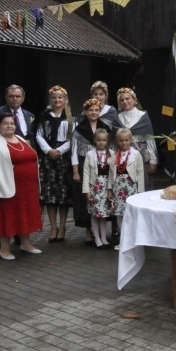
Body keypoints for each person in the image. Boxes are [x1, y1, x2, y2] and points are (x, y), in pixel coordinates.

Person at [0, 112, 43, 260]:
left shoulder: (21, 139)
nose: (9, 126)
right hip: (6, 185)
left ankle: (25, 244)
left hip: (27, 188)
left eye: (12, 123)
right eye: (5, 123)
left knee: (25, 215)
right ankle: (4, 249)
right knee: (6, 217)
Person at [34, 85, 75, 243]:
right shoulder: (44, 116)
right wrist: (48, 150)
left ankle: (63, 226)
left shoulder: (71, 118)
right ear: (51, 100)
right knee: (50, 194)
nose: (57, 100)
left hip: (63, 158)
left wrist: (59, 151)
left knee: (63, 194)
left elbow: (72, 138)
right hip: (48, 157)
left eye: (60, 97)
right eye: (54, 97)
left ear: (65, 100)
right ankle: (53, 227)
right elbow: (38, 135)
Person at [72, 99, 114, 246]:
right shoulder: (79, 128)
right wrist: (75, 170)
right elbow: (73, 151)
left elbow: (111, 151)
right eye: (90, 110)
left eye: (96, 110)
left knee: (102, 209)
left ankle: (102, 237)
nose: (94, 112)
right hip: (86, 165)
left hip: (103, 174)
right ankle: (90, 234)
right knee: (88, 204)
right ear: (85, 112)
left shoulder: (105, 127)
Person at [108, 128, 145, 247]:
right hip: (118, 189)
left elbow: (140, 173)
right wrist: (109, 189)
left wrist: (141, 192)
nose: (124, 143)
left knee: (131, 214)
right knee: (120, 214)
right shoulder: (114, 155)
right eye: (121, 141)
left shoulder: (136, 154)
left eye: (126, 140)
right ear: (117, 141)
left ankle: (133, 240)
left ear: (130, 140)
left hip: (131, 188)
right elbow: (111, 173)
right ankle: (123, 240)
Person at [117, 87, 158, 191]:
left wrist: (153, 160)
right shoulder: (117, 117)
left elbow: (150, 138)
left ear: (134, 100)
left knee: (143, 184)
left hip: (142, 157)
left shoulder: (143, 116)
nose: (125, 101)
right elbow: (114, 140)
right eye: (122, 100)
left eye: (127, 98)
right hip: (123, 157)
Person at [82, 128, 113, 249]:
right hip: (94, 187)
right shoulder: (90, 154)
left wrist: (110, 189)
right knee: (95, 214)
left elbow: (112, 173)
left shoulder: (111, 153)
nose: (101, 142)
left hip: (106, 186)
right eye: (99, 140)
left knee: (104, 214)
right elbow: (86, 173)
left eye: (104, 140)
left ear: (107, 141)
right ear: (94, 140)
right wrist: (86, 190)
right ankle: (97, 238)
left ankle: (104, 237)